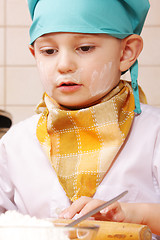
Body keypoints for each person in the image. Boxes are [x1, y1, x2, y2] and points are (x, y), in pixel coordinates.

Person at [0, 0, 160, 237]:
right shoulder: (15, 144)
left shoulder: (154, 132)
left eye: (84, 48)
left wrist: (136, 214)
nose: (64, 65)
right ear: (35, 55)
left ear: (126, 53)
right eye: (49, 51)